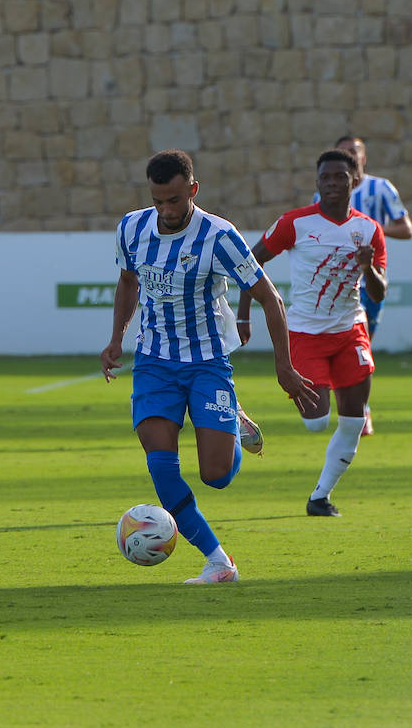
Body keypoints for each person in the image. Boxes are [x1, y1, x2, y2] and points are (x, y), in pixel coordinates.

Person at [100, 150, 319, 584]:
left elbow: (270, 299)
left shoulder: (220, 236)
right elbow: (128, 281)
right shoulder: (131, 227)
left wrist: (285, 368)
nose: (167, 210)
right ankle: (219, 560)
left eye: (175, 200)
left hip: (206, 364)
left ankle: (234, 424)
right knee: (161, 467)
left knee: (215, 476)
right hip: (154, 362)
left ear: (193, 190)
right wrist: (115, 339)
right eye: (159, 201)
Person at [238, 148, 387, 516]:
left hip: (351, 332)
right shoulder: (295, 223)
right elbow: (250, 263)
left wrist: (368, 268)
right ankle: (238, 417)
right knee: (317, 423)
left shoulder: (369, 230)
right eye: (325, 178)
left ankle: (320, 498)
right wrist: (243, 315)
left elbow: (379, 293)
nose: (332, 184)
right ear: (317, 183)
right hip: (304, 334)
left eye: (339, 177)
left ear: (354, 181)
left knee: (352, 423)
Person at [333, 135, 412, 435]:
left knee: (360, 343)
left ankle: (359, 408)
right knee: (340, 342)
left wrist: (373, 229)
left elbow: (406, 228)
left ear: (363, 158)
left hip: (369, 279)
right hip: (335, 281)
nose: (349, 156)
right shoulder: (326, 191)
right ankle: (353, 410)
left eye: (353, 151)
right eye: (343, 152)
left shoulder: (380, 188)